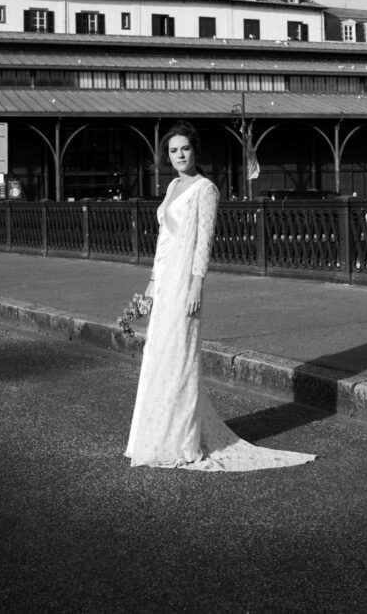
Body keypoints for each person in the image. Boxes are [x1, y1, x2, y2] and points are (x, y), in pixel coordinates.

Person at [125, 120, 315, 471]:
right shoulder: (171, 187)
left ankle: (182, 439)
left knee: (179, 357)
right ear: (167, 157)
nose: (179, 155)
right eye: (173, 150)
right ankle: (154, 436)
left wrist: (197, 283)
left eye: (185, 149)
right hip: (165, 281)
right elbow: (163, 242)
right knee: (158, 357)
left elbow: (204, 241)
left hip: (185, 281)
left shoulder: (205, 189)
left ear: (195, 151)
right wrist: (151, 284)